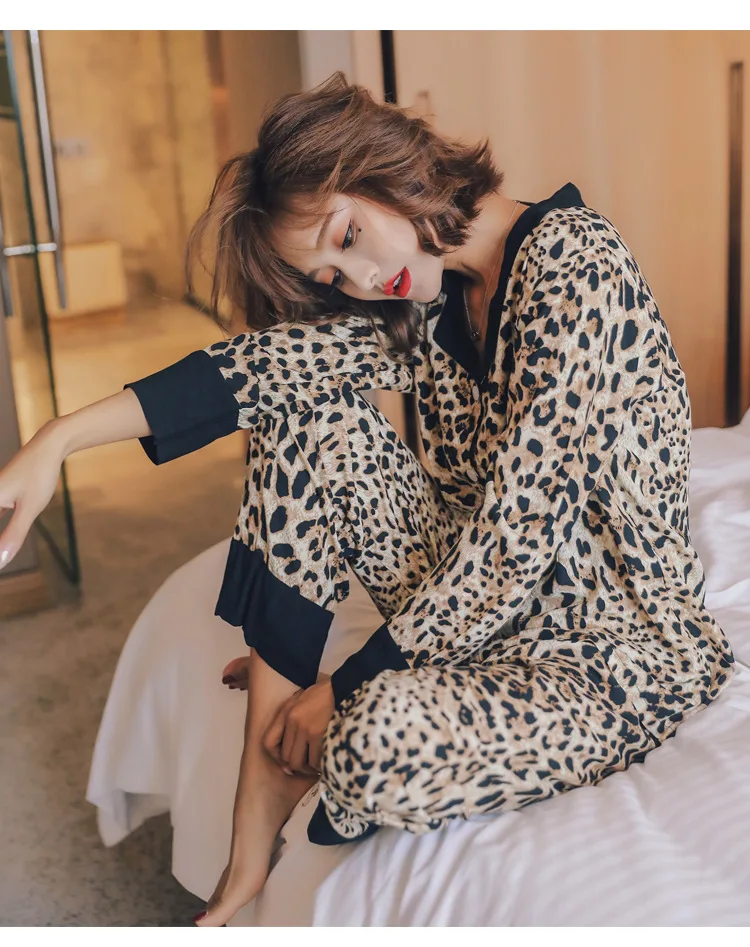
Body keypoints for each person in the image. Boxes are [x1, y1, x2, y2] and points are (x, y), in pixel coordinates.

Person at [0, 73, 736, 927]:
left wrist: (350, 683)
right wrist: (58, 436)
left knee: (374, 739)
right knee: (299, 403)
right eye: (333, 270)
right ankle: (262, 787)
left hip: (614, 652)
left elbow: (515, 540)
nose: (361, 277)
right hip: (478, 623)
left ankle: (316, 715)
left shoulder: (576, 261)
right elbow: (266, 369)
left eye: (348, 236)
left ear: (388, 168)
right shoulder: (433, 291)